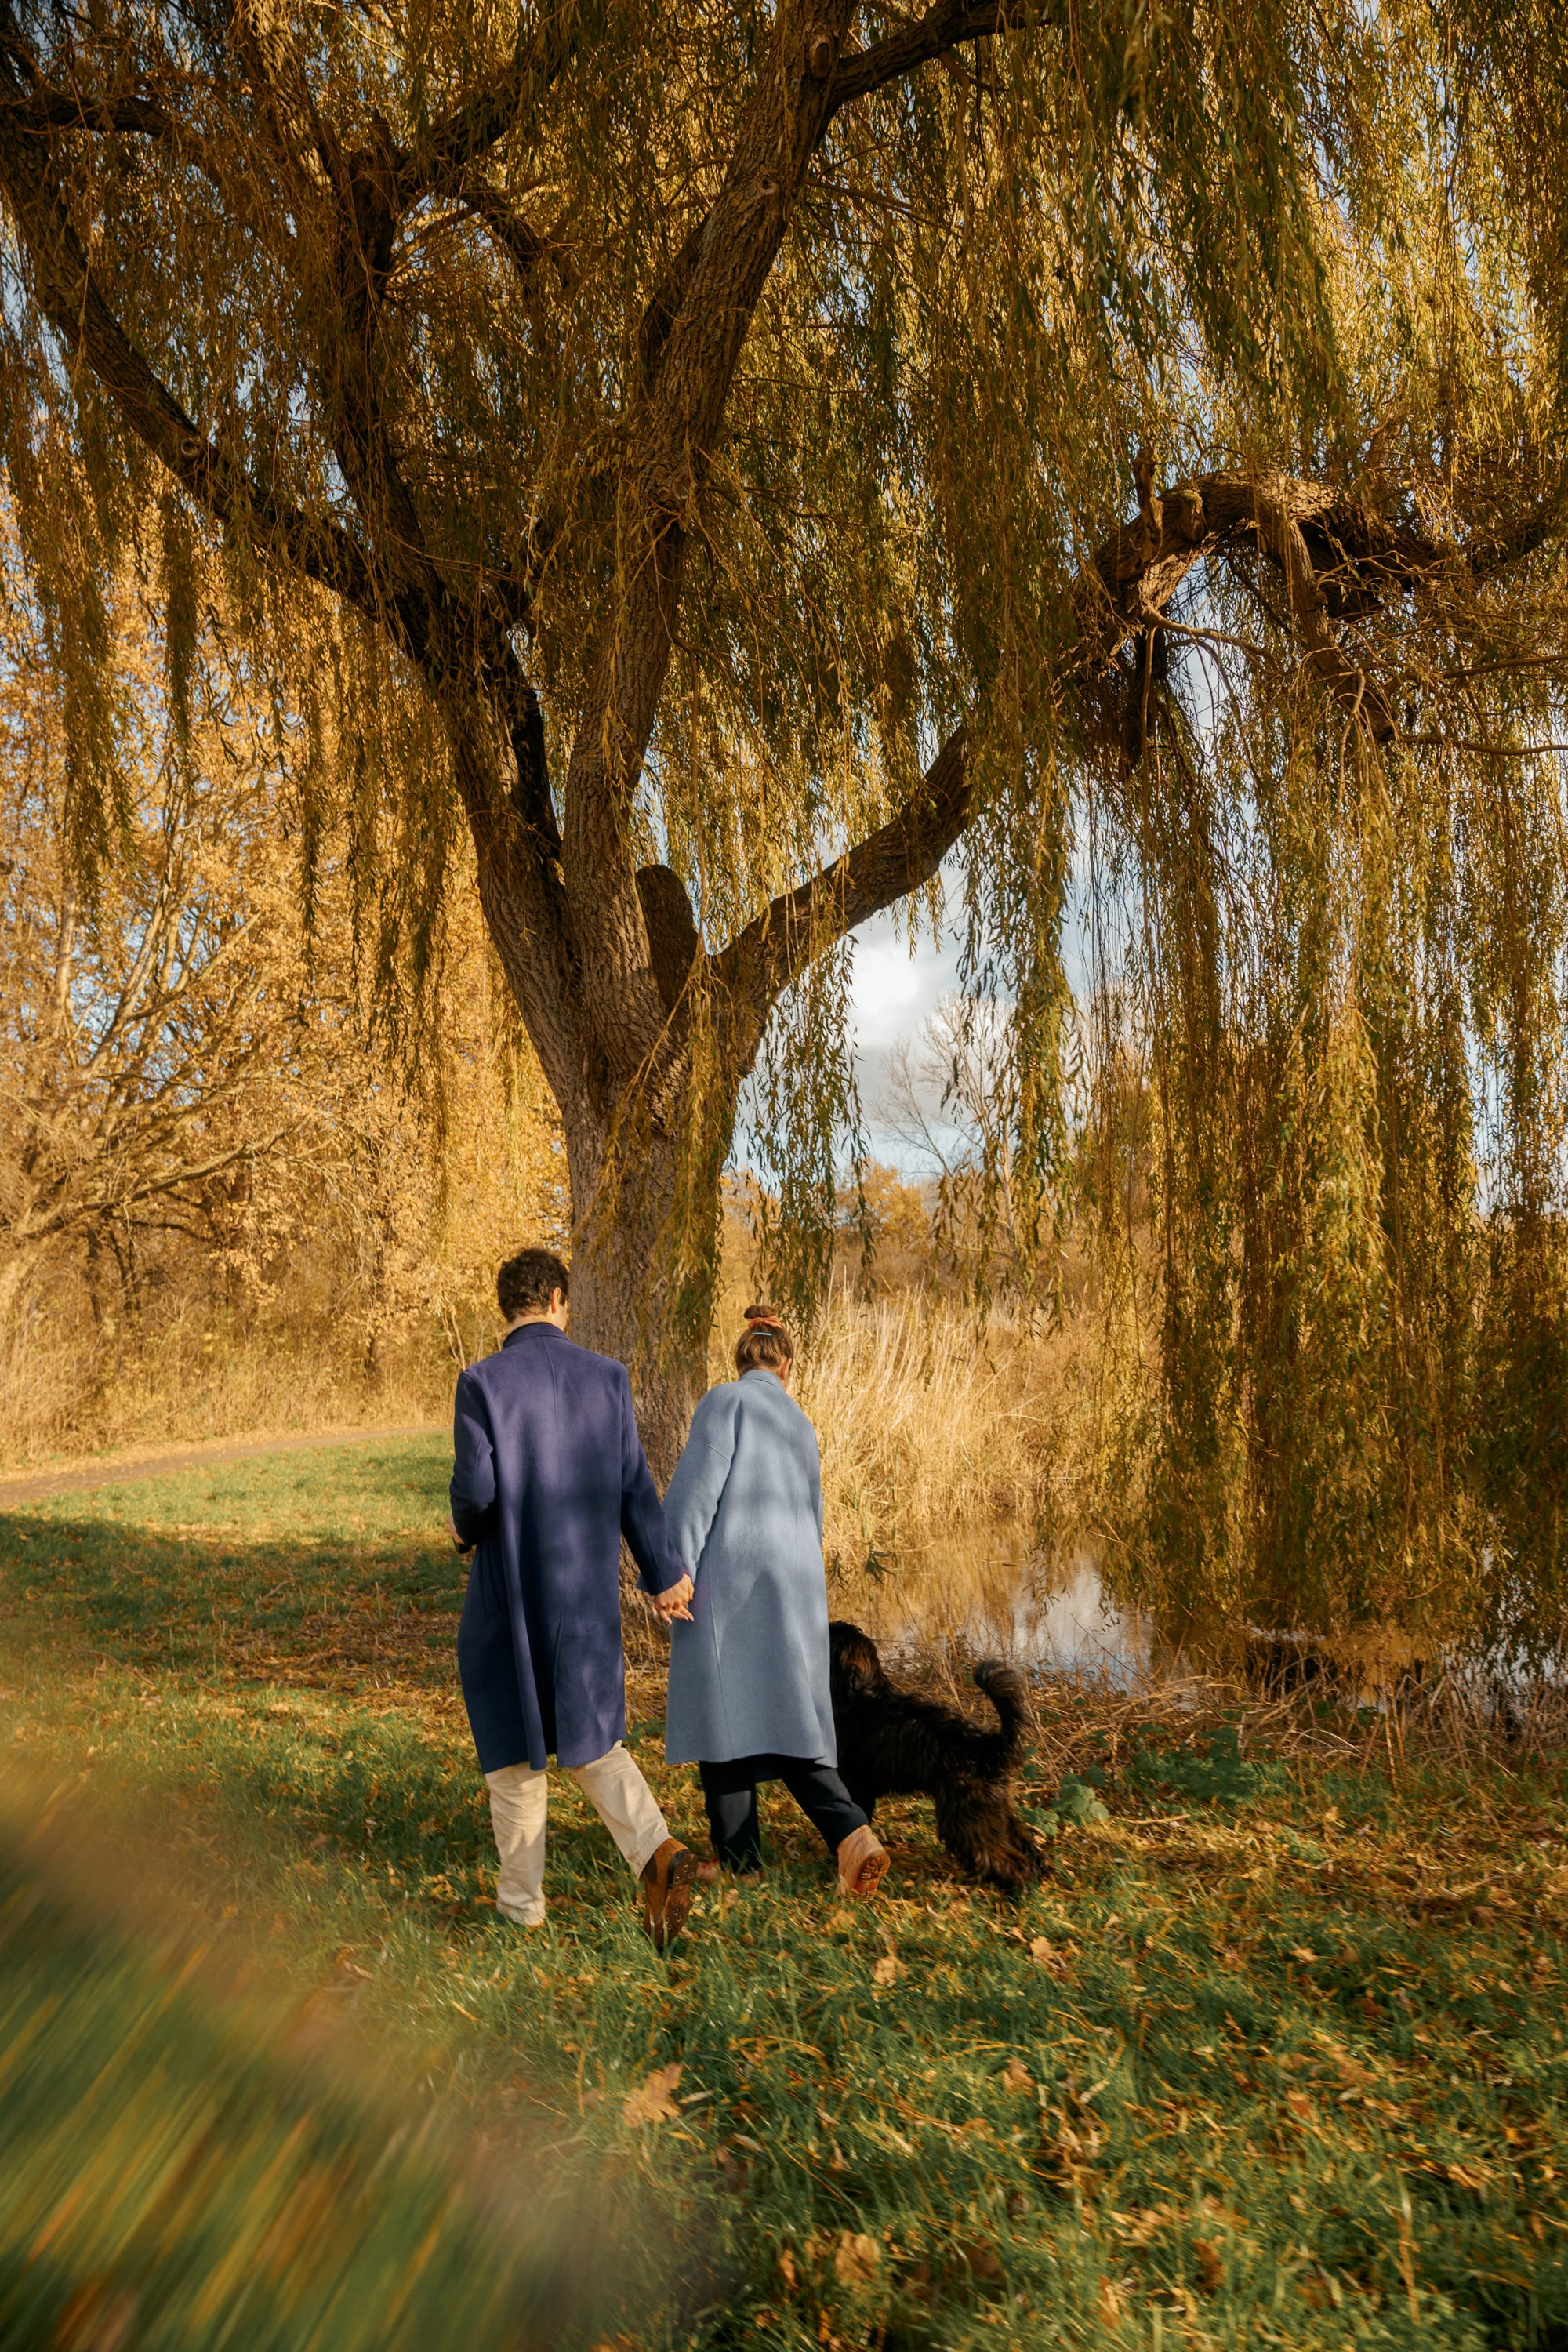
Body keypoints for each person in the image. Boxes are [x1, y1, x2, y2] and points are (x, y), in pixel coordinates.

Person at [449, 1247, 699, 1947]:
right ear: (559, 1299)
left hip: (512, 1597)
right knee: (594, 1743)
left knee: (513, 1757)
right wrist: (664, 1575)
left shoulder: (482, 1383)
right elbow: (634, 1490)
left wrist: (463, 1529)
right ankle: (658, 1851)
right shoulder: (608, 1379)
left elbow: (475, 1493)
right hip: (584, 1601)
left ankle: (521, 1911)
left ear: (509, 1309)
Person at [660, 1305, 889, 1897]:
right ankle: (848, 1838)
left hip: (731, 1589)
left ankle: (745, 1861)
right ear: (786, 1365)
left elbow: (694, 1494)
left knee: (722, 1717)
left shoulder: (724, 1403)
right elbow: (812, 1519)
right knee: (787, 1721)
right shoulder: (800, 1422)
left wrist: (671, 1569)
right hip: (791, 1590)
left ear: (742, 1359)